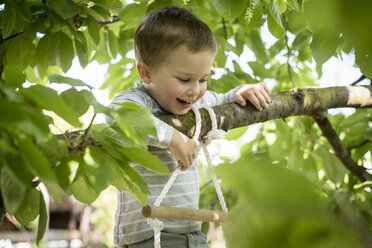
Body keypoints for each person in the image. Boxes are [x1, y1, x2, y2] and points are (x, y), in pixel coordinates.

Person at [107, 6, 271, 248]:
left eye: (203, 79)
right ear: (146, 72)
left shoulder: (197, 102)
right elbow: (119, 117)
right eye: (185, 79)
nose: (195, 90)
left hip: (192, 231)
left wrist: (241, 92)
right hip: (148, 235)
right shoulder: (136, 100)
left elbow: (225, 102)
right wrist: (173, 138)